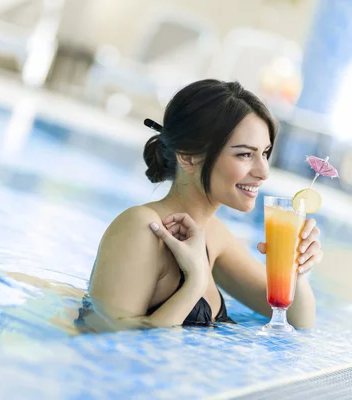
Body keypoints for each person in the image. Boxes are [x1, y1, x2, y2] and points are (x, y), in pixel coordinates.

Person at [79, 79, 322, 331]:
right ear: (188, 156)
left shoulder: (214, 234)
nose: (264, 172)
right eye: (245, 154)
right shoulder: (142, 228)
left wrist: (297, 271)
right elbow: (105, 341)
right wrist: (194, 282)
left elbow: (296, 321)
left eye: (265, 153)